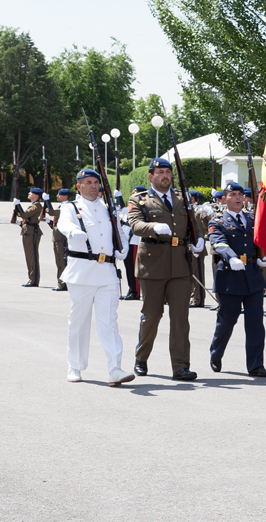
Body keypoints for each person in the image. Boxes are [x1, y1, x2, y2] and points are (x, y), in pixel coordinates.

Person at [127, 158, 205, 380]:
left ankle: (180, 366)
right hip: (153, 264)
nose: (165, 176)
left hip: (180, 264)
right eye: (160, 172)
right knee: (152, 315)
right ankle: (141, 358)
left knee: (180, 318)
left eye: (168, 172)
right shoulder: (140, 199)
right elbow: (135, 225)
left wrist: (199, 239)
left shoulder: (182, 198)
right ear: (150, 176)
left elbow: (194, 224)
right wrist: (152, 227)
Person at [56, 169, 135, 386]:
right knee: (79, 321)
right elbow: (63, 224)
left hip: (107, 273)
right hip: (81, 272)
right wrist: (73, 231)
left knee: (109, 322)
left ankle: (115, 369)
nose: (93, 186)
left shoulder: (108, 209)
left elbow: (119, 233)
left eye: (95, 182)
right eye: (88, 182)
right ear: (78, 186)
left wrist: (123, 248)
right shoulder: (70, 207)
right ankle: (75, 365)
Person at [206, 182, 266, 378]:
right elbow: (217, 242)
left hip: (252, 275)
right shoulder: (217, 221)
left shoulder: (253, 218)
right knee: (227, 321)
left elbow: (261, 239)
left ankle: (255, 365)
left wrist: (263, 256)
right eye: (232, 194)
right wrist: (231, 256)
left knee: (255, 323)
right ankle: (216, 353)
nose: (237, 197)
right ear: (224, 198)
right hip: (230, 276)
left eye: (240, 194)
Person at [17, 187, 46, 287]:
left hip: (32, 232)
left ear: (36, 195)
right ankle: (31, 278)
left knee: (32, 256)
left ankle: (34, 280)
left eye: (31, 192)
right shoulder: (33, 205)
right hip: (27, 232)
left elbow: (24, 215)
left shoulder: (36, 206)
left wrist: (18, 206)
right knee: (29, 256)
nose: (29, 193)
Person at [187, 189, 209, 308]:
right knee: (191, 276)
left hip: (197, 248)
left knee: (198, 275)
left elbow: (200, 230)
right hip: (190, 248)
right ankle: (193, 296)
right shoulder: (189, 211)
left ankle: (198, 299)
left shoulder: (197, 212)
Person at [49, 188, 71, 291]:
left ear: (65, 196)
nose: (57, 196)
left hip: (61, 238)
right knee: (59, 261)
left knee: (62, 261)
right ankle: (61, 282)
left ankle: (63, 283)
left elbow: (51, 212)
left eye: (59, 194)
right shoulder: (62, 205)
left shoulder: (66, 206)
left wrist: (46, 201)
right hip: (57, 237)